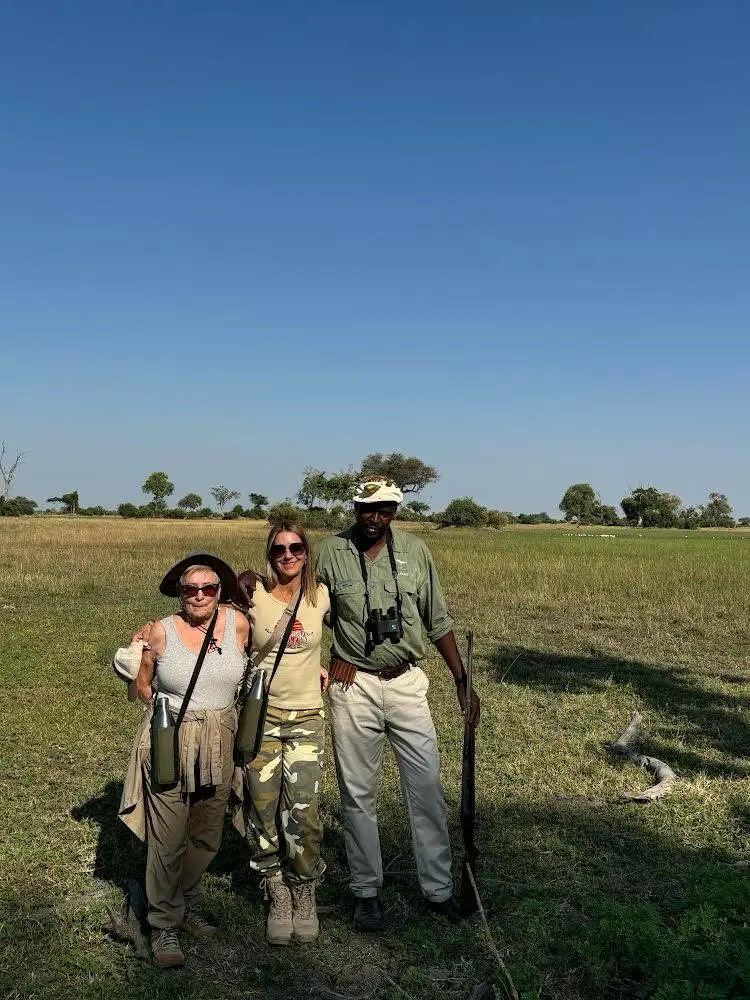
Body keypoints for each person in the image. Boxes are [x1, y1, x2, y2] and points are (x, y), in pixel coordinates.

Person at [314, 478, 480, 932]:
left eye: (385, 509)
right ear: (354, 508)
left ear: (395, 511)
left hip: (406, 682)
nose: (376, 517)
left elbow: (437, 619)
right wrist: (329, 656)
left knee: (425, 788)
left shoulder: (415, 551)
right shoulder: (329, 552)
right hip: (353, 687)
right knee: (358, 794)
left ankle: (438, 889)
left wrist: (462, 679)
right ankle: (366, 891)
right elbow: (308, 613)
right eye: (368, 509)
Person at [119, 553, 249, 968]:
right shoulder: (160, 631)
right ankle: (163, 925)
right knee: (168, 835)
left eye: (208, 588)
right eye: (190, 589)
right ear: (180, 593)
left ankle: (184, 902)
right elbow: (140, 687)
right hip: (171, 735)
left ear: (220, 593)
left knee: (208, 828)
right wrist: (159, 705)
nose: (199, 596)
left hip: (222, 735)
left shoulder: (238, 625)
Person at [234, 521, 331, 945]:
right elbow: (219, 633)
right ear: (268, 555)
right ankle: (274, 885)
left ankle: (304, 886)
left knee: (303, 808)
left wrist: (329, 665)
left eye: (295, 548)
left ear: (306, 552)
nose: (287, 555)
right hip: (262, 717)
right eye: (278, 549)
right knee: (261, 803)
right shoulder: (252, 594)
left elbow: (349, 635)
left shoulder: (322, 595)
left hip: (307, 715)